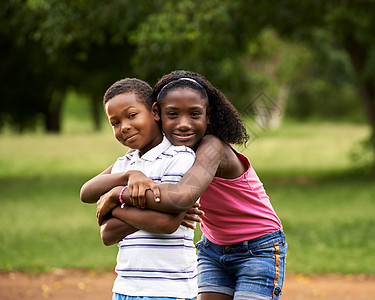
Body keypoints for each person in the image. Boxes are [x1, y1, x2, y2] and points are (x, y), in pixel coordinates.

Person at [92, 70, 287, 300]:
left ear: (208, 116)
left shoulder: (212, 147)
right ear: (157, 114)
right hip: (213, 248)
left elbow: (179, 198)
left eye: (195, 114)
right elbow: (92, 188)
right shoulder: (161, 154)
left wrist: (117, 196)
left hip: (257, 248)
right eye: (172, 114)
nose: (184, 124)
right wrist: (126, 188)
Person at [80, 78, 200, 300]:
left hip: (169, 290)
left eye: (131, 115)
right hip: (125, 288)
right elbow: (91, 202)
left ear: (155, 111)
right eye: (115, 123)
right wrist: (129, 176)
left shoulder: (179, 156)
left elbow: (167, 224)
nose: (124, 127)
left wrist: (114, 201)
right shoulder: (126, 163)